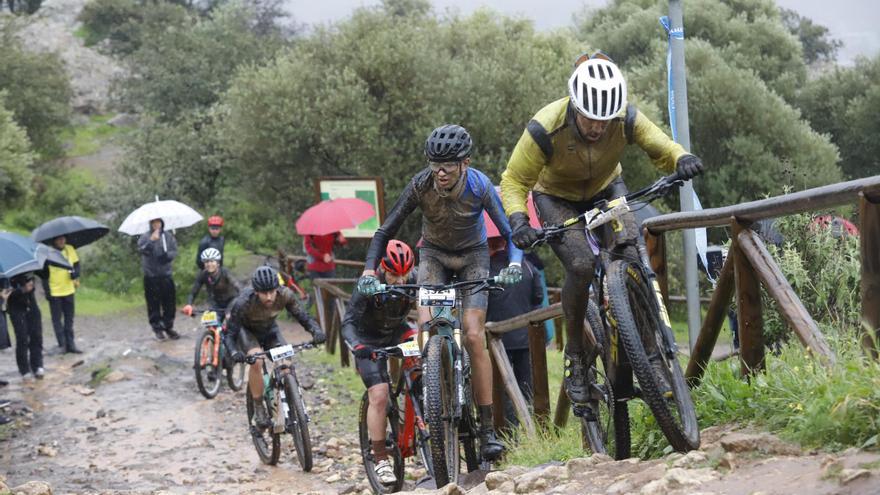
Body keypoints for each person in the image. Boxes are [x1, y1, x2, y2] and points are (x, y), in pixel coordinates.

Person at [500, 54, 705, 409]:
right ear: (574, 106)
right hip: (555, 197)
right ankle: (577, 357)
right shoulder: (545, 127)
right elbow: (514, 181)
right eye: (589, 118)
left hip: (607, 189)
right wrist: (519, 221)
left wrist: (680, 158)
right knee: (579, 264)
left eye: (604, 120)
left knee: (629, 247)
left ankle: (653, 359)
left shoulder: (625, 118)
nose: (597, 127)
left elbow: (660, 144)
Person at [358, 124, 525, 461]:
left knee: (475, 336)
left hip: (473, 257)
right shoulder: (421, 184)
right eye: (434, 163)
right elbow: (385, 228)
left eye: (447, 164)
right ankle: (436, 392)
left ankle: (489, 430)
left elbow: (509, 233)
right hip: (433, 255)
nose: (440, 172)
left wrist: (515, 264)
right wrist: (368, 269)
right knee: (427, 331)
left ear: (465, 163)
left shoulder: (479, 185)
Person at [343, 240, 416, 485]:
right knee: (380, 393)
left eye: (405, 274)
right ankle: (381, 458)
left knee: (426, 351)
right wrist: (358, 347)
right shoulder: (368, 284)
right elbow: (348, 323)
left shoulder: (413, 278)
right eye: (394, 274)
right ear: (383, 267)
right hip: (367, 339)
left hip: (397, 331)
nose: (400, 280)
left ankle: (428, 418)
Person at [224, 266, 326, 428]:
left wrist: (316, 331)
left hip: (270, 330)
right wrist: (234, 352)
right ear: (256, 292)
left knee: (286, 364)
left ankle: (291, 402)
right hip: (248, 333)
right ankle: (258, 407)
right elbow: (229, 334)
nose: (269, 296)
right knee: (257, 361)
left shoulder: (285, 295)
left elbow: (303, 316)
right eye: (264, 293)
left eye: (272, 291)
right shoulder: (243, 302)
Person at [486, 237, 543, 428]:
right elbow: (538, 297)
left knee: (503, 387)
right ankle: (533, 426)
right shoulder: (527, 267)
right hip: (527, 337)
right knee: (527, 384)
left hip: (497, 339)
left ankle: (509, 430)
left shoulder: (485, 271)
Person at [138, 218, 179, 340]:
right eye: (154, 223)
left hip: (166, 274)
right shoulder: (145, 237)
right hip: (151, 275)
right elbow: (142, 250)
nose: (157, 225)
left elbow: (174, 251)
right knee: (153, 304)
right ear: (150, 224)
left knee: (169, 303)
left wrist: (168, 256)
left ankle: (168, 326)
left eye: (159, 222)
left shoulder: (168, 236)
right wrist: (151, 241)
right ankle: (157, 328)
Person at [41, 235, 82, 353]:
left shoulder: (70, 249)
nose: (62, 241)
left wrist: (75, 274)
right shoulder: (47, 252)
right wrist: (47, 291)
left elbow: (77, 265)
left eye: (63, 238)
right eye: (59, 239)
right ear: (54, 240)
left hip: (69, 289)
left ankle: (71, 344)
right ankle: (62, 344)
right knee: (57, 320)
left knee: (69, 319)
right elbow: (43, 275)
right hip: (54, 291)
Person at [182, 248, 240, 321]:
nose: (209, 264)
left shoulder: (225, 272)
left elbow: (238, 287)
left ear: (218, 263)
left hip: (231, 301)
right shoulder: (203, 274)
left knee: (230, 322)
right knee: (211, 323)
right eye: (206, 262)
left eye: (212, 261)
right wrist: (189, 304)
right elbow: (194, 291)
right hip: (215, 304)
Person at [6, 273, 44, 380]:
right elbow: (6, 294)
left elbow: (44, 275)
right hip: (16, 309)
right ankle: (24, 369)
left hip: (31, 306)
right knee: (22, 338)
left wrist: (31, 285)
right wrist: (22, 289)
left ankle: (37, 365)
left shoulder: (27, 268)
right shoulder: (6, 273)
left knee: (36, 336)